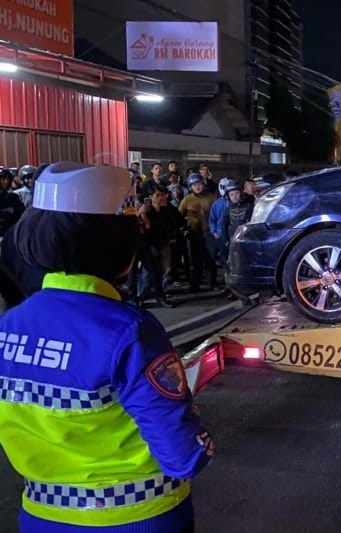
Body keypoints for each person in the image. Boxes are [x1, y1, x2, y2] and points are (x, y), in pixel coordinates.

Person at [0, 161, 213, 532]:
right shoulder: (130, 331)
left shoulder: (7, 326)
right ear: (119, 246)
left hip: (41, 516)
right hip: (140, 518)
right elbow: (184, 456)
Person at [136, 184, 181, 308]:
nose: (161, 198)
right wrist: (143, 214)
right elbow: (146, 227)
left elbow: (174, 224)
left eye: (163, 195)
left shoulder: (168, 210)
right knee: (149, 273)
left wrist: (172, 236)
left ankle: (161, 295)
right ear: (150, 197)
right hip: (150, 245)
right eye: (158, 195)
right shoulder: (146, 210)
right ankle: (141, 296)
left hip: (164, 243)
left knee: (165, 270)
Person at [179, 173, 217, 291]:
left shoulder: (212, 198)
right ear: (190, 187)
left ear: (203, 184)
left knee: (210, 260)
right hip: (193, 235)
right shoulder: (187, 200)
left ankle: (212, 284)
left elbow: (217, 216)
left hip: (209, 234)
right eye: (194, 185)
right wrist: (184, 230)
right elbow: (178, 216)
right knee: (194, 262)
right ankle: (194, 285)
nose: (197, 187)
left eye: (199, 184)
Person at [209, 177, 234, 265]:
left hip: (234, 236)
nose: (227, 189)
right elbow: (212, 219)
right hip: (221, 236)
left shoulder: (235, 202)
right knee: (224, 259)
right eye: (225, 187)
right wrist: (214, 232)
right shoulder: (217, 203)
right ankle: (225, 277)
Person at [0, 168, 25, 237]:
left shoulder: (13, 197)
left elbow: (21, 217)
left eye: (8, 179)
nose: (6, 181)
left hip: (10, 236)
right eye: (3, 178)